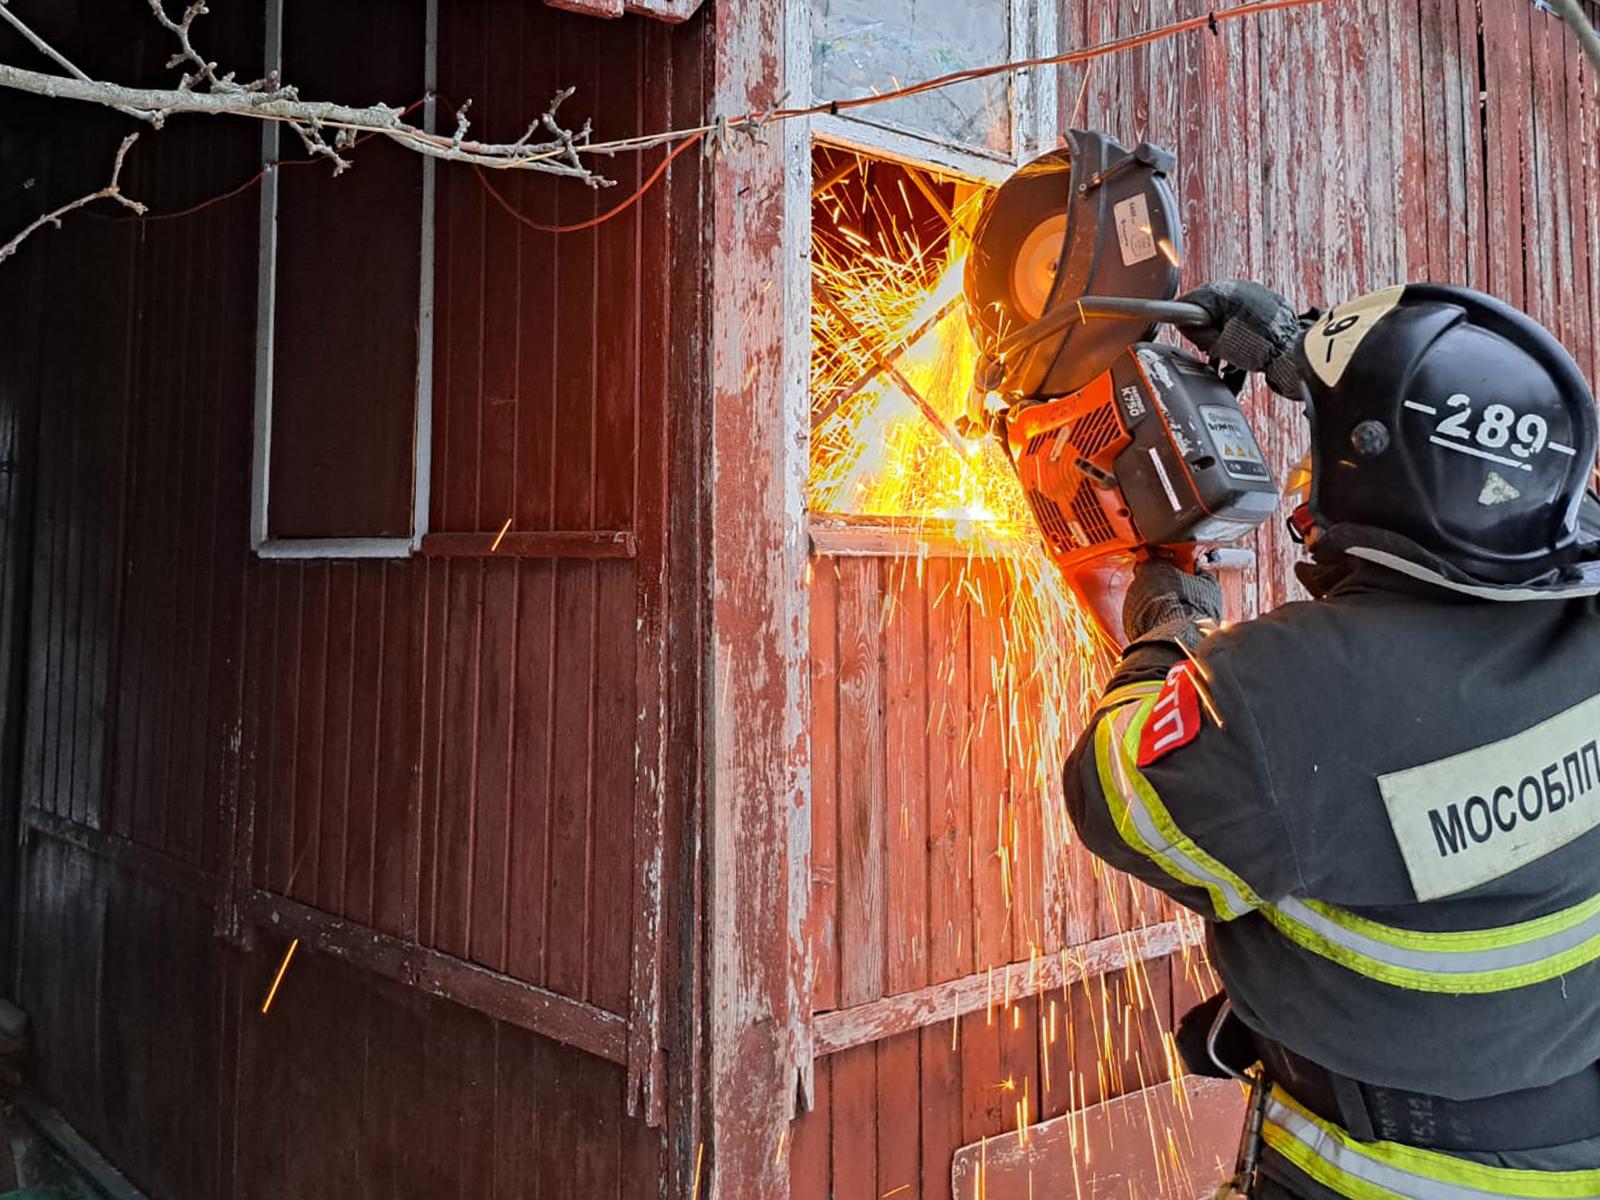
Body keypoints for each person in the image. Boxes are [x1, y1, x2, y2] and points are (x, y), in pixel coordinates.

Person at [1060, 280, 1600, 1199]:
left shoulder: (1279, 695)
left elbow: (1116, 800)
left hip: (1386, 1170)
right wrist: (1316, 362)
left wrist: (1167, 632)